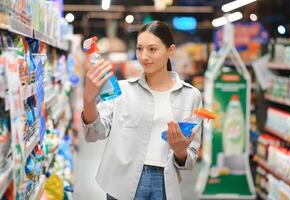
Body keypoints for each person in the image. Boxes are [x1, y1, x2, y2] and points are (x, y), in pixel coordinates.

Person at [82, 21, 202, 200]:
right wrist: (88, 99)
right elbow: (94, 133)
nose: (143, 56)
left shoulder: (190, 95)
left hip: (163, 184)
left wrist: (180, 151)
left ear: (170, 50)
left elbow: (190, 159)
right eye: (139, 48)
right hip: (121, 181)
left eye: (152, 49)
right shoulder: (121, 90)